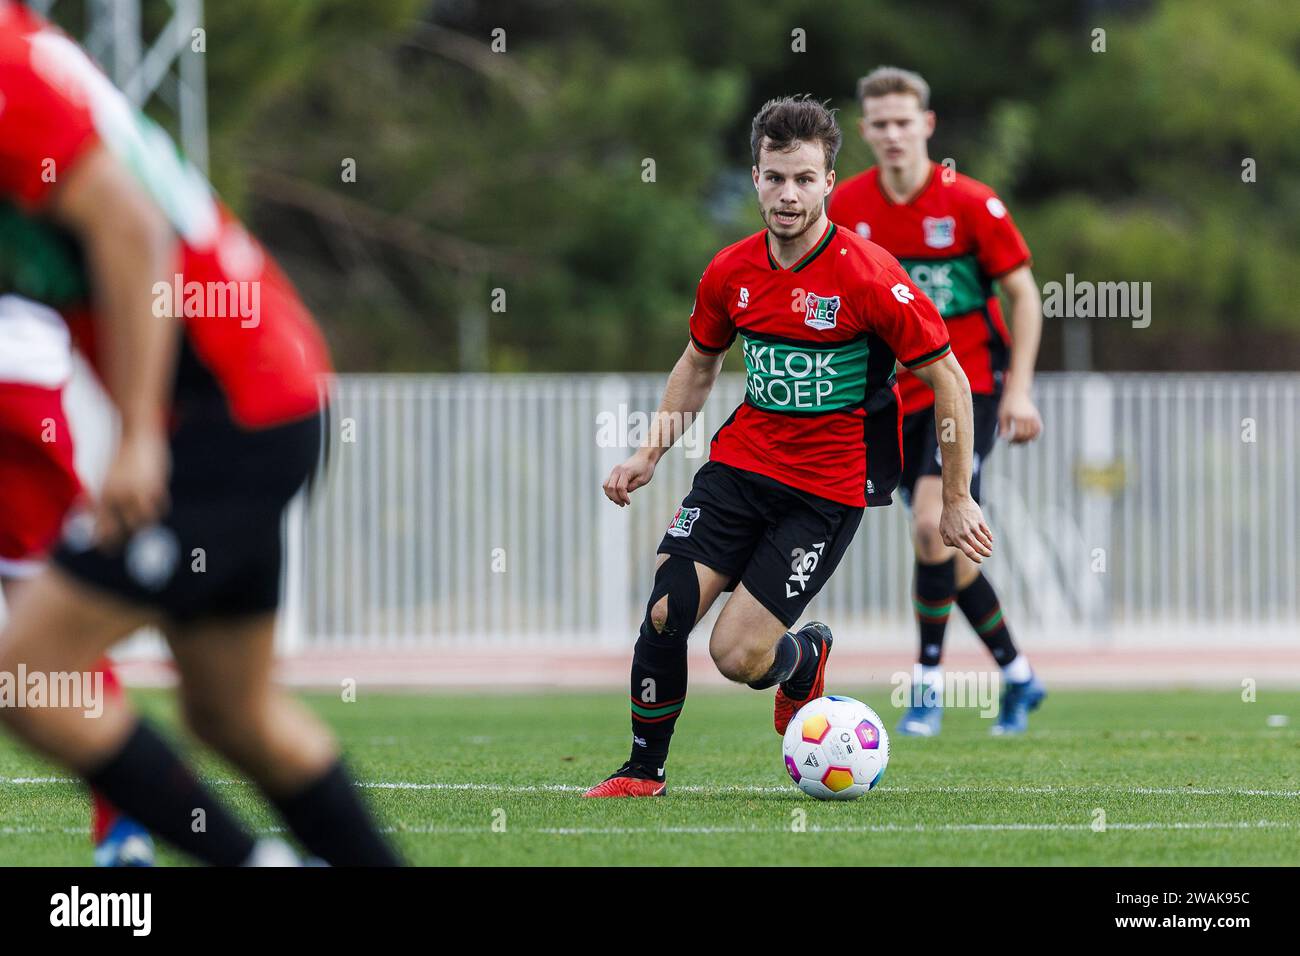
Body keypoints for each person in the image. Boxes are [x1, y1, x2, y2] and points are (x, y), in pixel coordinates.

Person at [0, 0, 398, 864]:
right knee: (232, 712)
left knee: (28, 671)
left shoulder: (5, 72)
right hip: (264, 397)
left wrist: (140, 435)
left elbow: (134, 231)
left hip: (232, 413)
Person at [585, 95, 992, 798]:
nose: (788, 194)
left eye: (804, 178)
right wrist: (648, 452)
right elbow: (699, 362)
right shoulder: (731, 272)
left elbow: (949, 379)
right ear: (755, 176)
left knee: (737, 656)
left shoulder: (869, 275)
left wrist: (955, 497)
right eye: (775, 177)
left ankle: (803, 660)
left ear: (829, 181)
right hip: (740, 468)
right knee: (665, 609)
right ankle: (642, 771)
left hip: (826, 490)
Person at [828, 66, 1046, 736]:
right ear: (864, 131)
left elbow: (1026, 297)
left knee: (931, 526)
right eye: (880, 124)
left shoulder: (972, 203)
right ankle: (1017, 675)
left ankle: (926, 687)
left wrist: (1019, 390)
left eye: (904, 121)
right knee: (951, 549)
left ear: (927, 125)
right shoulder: (846, 208)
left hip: (968, 386)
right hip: (892, 402)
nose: (893, 134)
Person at [0, 293, 153, 865]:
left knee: (55, 628)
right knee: (59, 627)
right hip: (22, 376)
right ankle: (122, 828)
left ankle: (124, 826)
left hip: (17, 369)